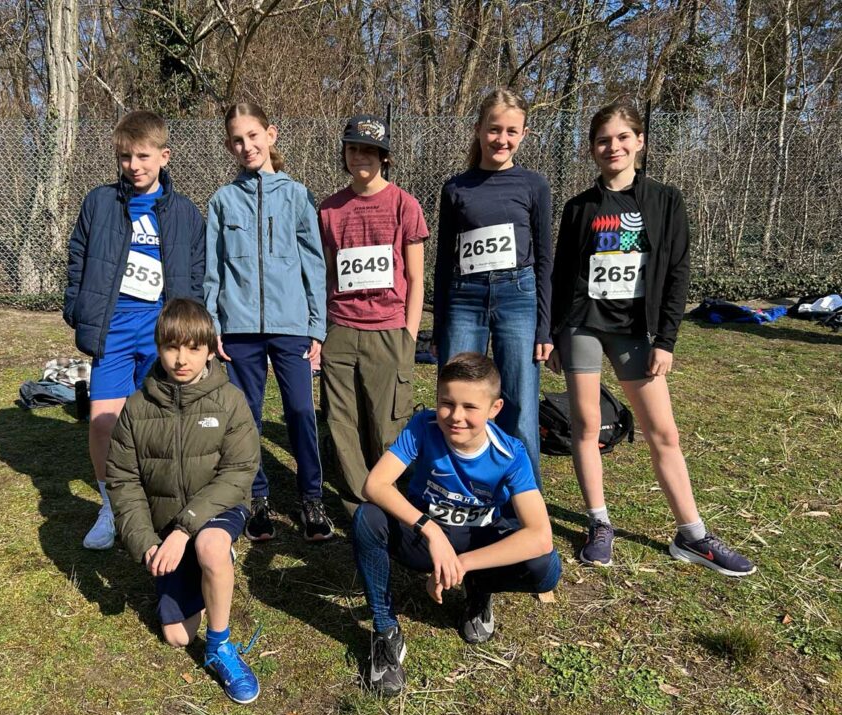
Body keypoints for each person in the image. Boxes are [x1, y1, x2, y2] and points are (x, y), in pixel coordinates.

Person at [547, 98, 755, 577]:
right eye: (603, 140)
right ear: (592, 149)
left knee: (664, 432)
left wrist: (666, 339)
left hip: (636, 331)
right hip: (581, 326)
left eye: (623, 137)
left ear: (639, 142)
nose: (613, 147)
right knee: (586, 427)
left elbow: (678, 271)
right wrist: (555, 332)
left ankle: (693, 534)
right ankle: (599, 523)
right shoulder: (579, 207)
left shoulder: (665, 200)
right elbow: (562, 273)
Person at [352, 352, 561, 696]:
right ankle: (385, 629)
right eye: (446, 403)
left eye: (470, 407)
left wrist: (462, 564)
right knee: (367, 518)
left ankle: (478, 589)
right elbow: (374, 485)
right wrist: (431, 531)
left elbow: (540, 536)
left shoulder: (511, 453)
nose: (455, 416)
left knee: (545, 568)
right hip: (424, 540)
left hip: (477, 543)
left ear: (494, 409)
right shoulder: (424, 426)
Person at [106, 299, 263, 704]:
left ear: (210, 350)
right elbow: (123, 482)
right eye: (172, 347)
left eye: (194, 348)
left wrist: (184, 530)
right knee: (177, 637)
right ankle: (206, 568)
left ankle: (220, 646)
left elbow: (239, 471)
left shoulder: (230, 401)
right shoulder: (136, 408)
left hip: (219, 507)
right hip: (165, 523)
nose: (181, 359)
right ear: (158, 347)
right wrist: (146, 543)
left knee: (210, 545)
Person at [64, 110, 205, 551]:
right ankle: (112, 506)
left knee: (159, 423)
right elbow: (77, 258)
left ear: (164, 156)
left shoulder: (185, 213)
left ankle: (158, 504)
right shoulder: (99, 203)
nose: (134, 165)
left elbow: (197, 273)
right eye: (125, 156)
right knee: (103, 420)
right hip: (113, 329)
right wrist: (78, 309)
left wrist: (188, 328)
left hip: (161, 332)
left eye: (143, 156)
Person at [204, 101, 332, 543]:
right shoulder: (222, 201)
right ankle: (255, 497)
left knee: (300, 412)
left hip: (291, 326)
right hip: (239, 329)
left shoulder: (297, 196)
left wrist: (316, 325)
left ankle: (311, 498)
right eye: (237, 140)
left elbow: (314, 264)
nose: (247, 146)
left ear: (270, 134)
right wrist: (215, 324)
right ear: (229, 147)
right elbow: (213, 269)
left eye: (253, 136)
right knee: (246, 418)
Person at [433, 89, 554, 488]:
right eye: (494, 129)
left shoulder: (534, 185)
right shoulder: (456, 188)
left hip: (518, 296)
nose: (502, 139)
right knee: (457, 398)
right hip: (464, 298)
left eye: (511, 131)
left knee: (519, 402)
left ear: (524, 134)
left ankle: (524, 501)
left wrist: (544, 328)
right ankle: (454, 488)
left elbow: (545, 259)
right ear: (478, 129)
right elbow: (444, 259)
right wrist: (440, 325)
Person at [317, 114, 428, 517]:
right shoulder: (329, 210)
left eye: (369, 149)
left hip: (389, 331)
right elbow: (327, 274)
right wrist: (324, 330)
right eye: (353, 149)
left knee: (388, 424)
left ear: (384, 157)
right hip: (341, 330)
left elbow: (416, 278)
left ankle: (393, 501)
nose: (360, 156)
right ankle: (359, 507)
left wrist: (409, 336)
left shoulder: (404, 205)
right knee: (342, 423)